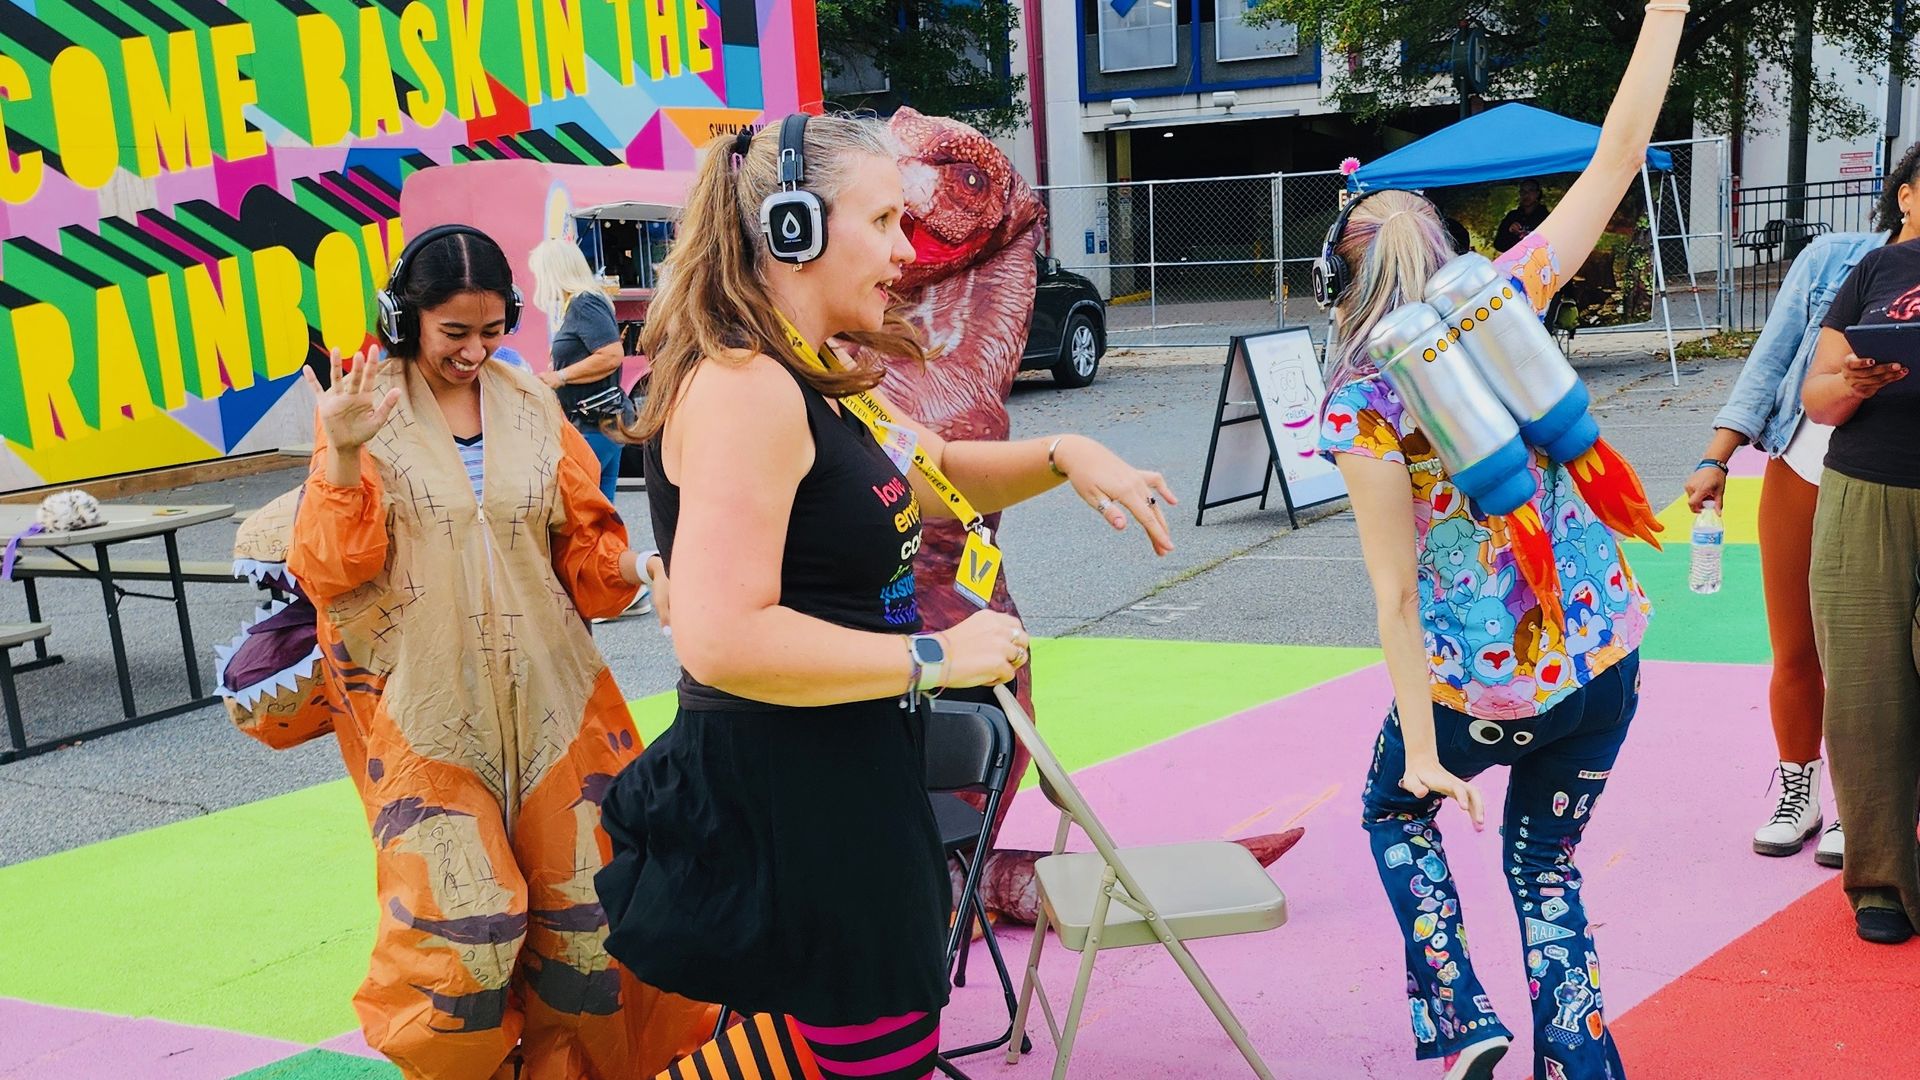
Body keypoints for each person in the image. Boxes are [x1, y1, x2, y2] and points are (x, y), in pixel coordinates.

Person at [591, 114, 1174, 1080]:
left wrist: (1065, 452)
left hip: (841, 768)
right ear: (793, 230)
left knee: (856, 1048)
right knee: (878, 1053)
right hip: (799, 789)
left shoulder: (816, 371)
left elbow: (934, 467)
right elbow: (721, 637)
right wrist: (936, 656)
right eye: (883, 221)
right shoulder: (748, 388)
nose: (906, 251)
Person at [1315, 7, 1684, 1078]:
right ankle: (1578, 1060)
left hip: (1477, 690)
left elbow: (1395, 596)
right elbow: (1619, 152)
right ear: (1445, 251)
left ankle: (1463, 1015)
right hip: (1601, 662)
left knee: (1394, 811)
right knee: (1547, 871)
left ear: (1340, 285)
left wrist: (1426, 750)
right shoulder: (1506, 299)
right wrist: (1665, 12)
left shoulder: (1362, 407)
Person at [289, 225, 710, 1079]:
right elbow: (331, 568)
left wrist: (644, 565)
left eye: (490, 331)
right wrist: (342, 452)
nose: (474, 352)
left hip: (556, 702)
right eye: (453, 332)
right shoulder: (364, 408)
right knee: (464, 940)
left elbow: (584, 547)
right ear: (405, 318)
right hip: (426, 715)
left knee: (591, 925)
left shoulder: (529, 404)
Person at [1686, 153, 1920, 866]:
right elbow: (1772, 358)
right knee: (1796, 649)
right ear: (1904, 196)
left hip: (1892, 482)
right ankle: (1799, 790)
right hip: (1803, 463)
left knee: (1876, 659)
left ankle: (1863, 803)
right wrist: (1717, 457)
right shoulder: (1837, 260)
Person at [1801, 146, 1920, 946]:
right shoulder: (1874, 269)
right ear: (1906, 195)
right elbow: (1817, 396)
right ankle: (1880, 881)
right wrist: (1855, 382)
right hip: (1866, 491)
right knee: (1866, 689)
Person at [530, 237, 631, 506]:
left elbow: (611, 355)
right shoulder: (585, 302)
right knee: (601, 507)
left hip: (594, 422)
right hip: (604, 421)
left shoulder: (584, 303)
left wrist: (560, 376)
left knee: (578, 505)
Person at [1493, 179, 1551, 253]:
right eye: (1523, 191)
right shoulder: (1512, 216)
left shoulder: (1546, 217)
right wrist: (1509, 231)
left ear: (1537, 193)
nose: (1526, 194)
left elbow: (1552, 244)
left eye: (1530, 190)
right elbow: (1498, 244)